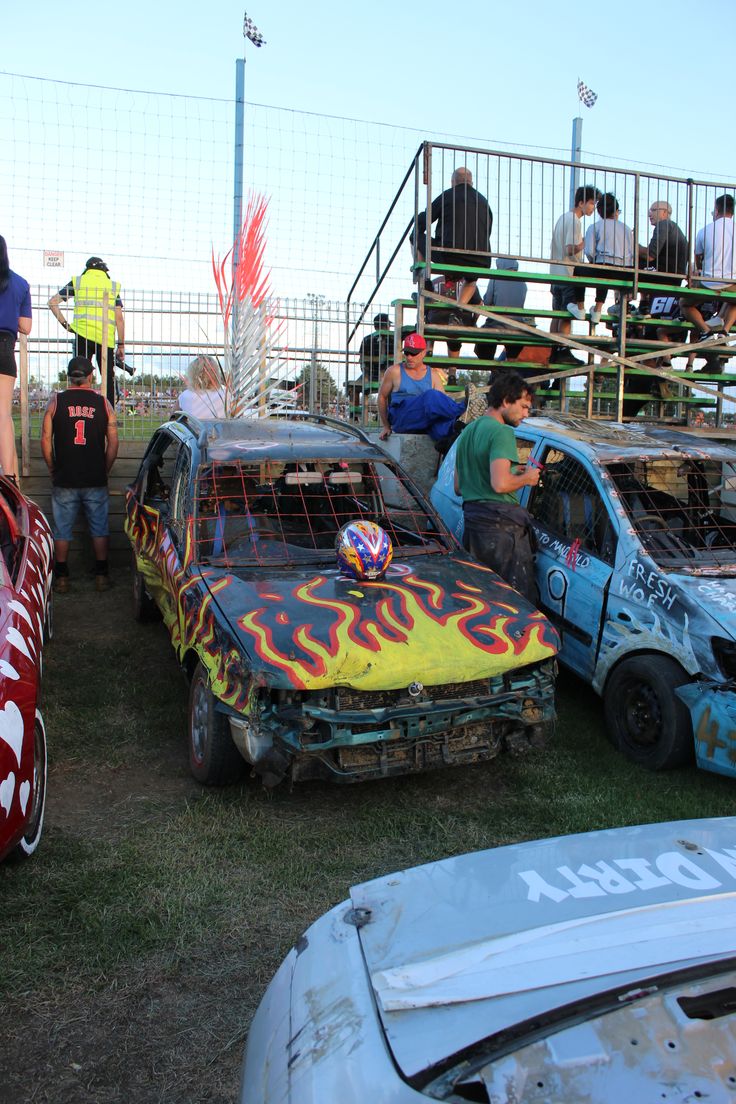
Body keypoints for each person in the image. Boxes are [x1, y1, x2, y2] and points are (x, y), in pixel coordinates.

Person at [453, 371, 540, 602]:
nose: (525, 414)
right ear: (505, 401)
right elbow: (500, 484)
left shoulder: (468, 431)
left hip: (475, 529)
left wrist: (512, 473)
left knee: (482, 600)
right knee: (513, 604)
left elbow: (459, 487)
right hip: (501, 535)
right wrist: (527, 478)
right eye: (522, 406)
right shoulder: (502, 432)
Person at [41, 356, 118, 592]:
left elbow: (45, 439)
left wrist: (53, 467)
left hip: (65, 477)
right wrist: (104, 468)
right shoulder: (103, 403)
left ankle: (62, 578)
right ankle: (102, 576)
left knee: (62, 529)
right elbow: (113, 442)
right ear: (90, 377)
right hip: (94, 477)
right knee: (99, 527)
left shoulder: (56, 402)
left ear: (69, 377)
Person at [48, 257, 129, 405]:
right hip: (105, 340)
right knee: (107, 379)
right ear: (104, 270)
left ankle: (78, 409)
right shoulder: (112, 286)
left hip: (82, 335)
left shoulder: (78, 282)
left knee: (79, 375)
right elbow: (119, 319)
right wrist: (121, 345)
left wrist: (66, 325)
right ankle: (108, 413)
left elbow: (52, 302)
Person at [411, 167, 493, 306]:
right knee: (471, 280)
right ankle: (458, 310)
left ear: (453, 182)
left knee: (415, 237)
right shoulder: (484, 202)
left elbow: (422, 222)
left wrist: (417, 220)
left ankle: (425, 283)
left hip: (449, 255)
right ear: (471, 183)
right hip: (481, 260)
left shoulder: (448, 195)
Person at [377, 332, 467, 443]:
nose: (409, 357)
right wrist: (386, 426)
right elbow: (382, 397)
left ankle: (461, 427)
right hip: (403, 417)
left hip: (424, 420)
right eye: (407, 353)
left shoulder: (433, 374)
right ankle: (464, 409)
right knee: (431, 396)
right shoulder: (394, 371)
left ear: (423, 353)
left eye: (413, 353)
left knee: (441, 428)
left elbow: (442, 403)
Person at [550, 185, 599, 350]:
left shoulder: (562, 218)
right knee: (567, 315)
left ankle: (554, 349)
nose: (594, 207)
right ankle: (563, 349)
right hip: (568, 274)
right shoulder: (574, 221)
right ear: (581, 203)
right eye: (592, 203)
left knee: (556, 315)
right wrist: (584, 243)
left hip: (555, 274)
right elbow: (569, 248)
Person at [681, 194, 736, 339]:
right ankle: (725, 330)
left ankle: (706, 331)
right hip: (733, 283)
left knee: (684, 304)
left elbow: (698, 257)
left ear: (716, 210)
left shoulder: (705, 230)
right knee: (735, 300)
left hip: (709, 282)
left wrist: (700, 268)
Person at [0, 236, 31, 479]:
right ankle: (10, 477)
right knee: (3, 415)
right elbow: (26, 326)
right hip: (5, 346)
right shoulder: (21, 284)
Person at [579, 193, 635, 325]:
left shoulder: (595, 227)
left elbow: (589, 251)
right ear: (616, 210)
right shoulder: (627, 229)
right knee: (604, 268)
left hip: (604, 268)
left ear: (599, 211)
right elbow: (632, 252)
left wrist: (594, 260)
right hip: (625, 272)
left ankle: (583, 308)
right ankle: (603, 309)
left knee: (583, 270)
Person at [474, 258, 528, 360]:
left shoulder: (496, 278)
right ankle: (510, 367)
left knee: (484, 340)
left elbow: (487, 301)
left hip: (496, 324)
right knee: (513, 350)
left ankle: (488, 365)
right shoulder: (523, 282)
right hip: (517, 326)